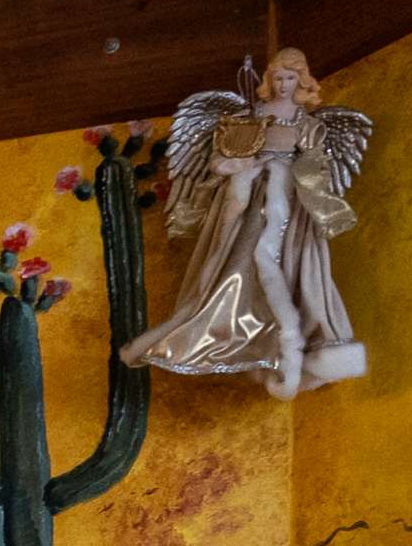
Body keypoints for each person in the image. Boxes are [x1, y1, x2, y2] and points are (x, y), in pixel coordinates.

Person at [122, 48, 371, 400]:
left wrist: (303, 183)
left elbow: (317, 166)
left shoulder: (308, 124)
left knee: (296, 267)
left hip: (290, 200)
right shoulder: (250, 116)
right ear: (269, 80)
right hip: (250, 194)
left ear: (302, 81)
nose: (284, 85)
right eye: (279, 78)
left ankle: (291, 342)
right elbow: (225, 156)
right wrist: (239, 167)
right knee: (236, 261)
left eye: (292, 78)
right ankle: (221, 327)